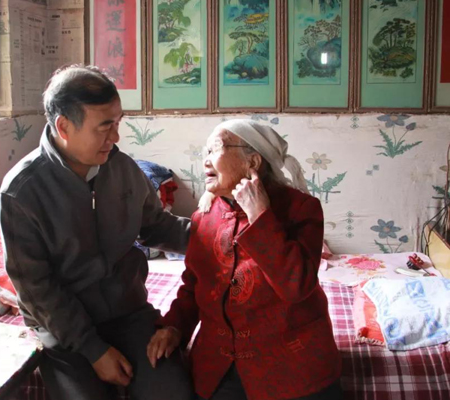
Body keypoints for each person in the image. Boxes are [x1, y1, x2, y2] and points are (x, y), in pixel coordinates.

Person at [0, 65, 193, 400]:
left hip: (128, 313)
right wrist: (93, 350)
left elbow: (156, 226)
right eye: (105, 127)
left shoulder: (123, 169)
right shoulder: (22, 192)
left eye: (118, 123)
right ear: (64, 127)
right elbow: (36, 288)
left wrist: (220, 234)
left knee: (172, 393)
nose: (115, 137)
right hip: (63, 328)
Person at [147, 119, 343, 400]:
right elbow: (194, 286)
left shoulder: (300, 209)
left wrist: (260, 215)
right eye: (205, 152)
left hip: (292, 365)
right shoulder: (204, 217)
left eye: (216, 149)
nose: (205, 161)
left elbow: (296, 286)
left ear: (252, 162)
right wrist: (174, 326)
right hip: (219, 364)